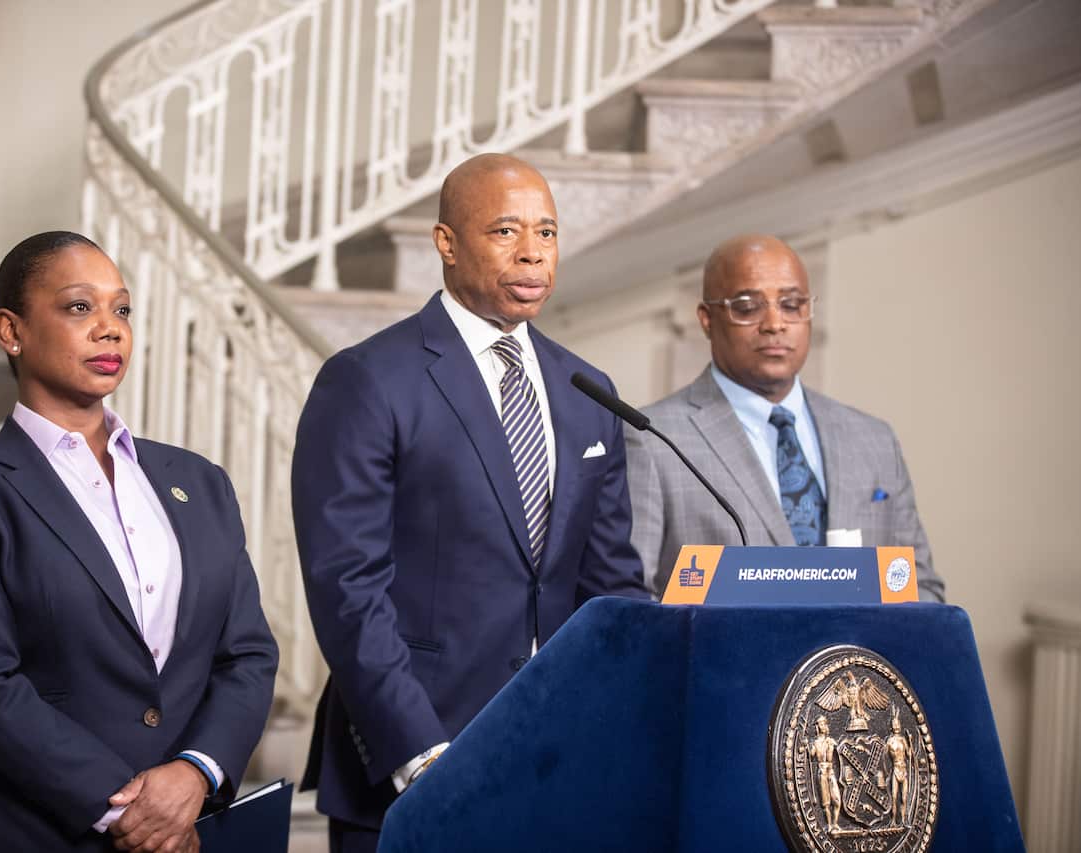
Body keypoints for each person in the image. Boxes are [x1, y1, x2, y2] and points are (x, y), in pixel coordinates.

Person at [291, 153, 649, 852]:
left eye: (546, 233)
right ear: (447, 244)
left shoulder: (588, 388)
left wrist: (625, 713)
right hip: (416, 763)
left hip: (558, 759)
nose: (533, 254)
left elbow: (610, 585)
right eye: (505, 231)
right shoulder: (366, 380)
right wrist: (422, 752)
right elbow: (346, 589)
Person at [0, 231, 278, 852]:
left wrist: (195, 772)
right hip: (29, 833)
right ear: (10, 331)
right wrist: (129, 811)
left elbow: (247, 655)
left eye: (122, 309)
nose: (111, 329)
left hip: (190, 825)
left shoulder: (199, 482)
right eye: (80, 307)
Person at [626, 235, 945, 601]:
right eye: (747, 307)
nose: (775, 324)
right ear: (707, 320)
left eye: (792, 305)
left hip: (853, 658)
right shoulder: (652, 440)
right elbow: (632, 602)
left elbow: (921, 588)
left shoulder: (873, 439)